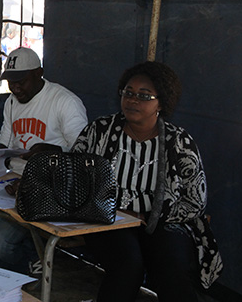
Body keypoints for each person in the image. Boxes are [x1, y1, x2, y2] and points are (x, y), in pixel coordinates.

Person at [71, 61, 222, 301]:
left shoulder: (179, 142)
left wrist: (147, 216)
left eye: (144, 95)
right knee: (127, 264)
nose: (132, 100)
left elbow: (195, 201)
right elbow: (73, 176)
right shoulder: (99, 131)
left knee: (170, 265)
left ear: (161, 103)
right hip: (109, 220)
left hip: (165, 221)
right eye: (128, 93)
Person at [0, 47, 88, 273]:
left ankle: (27, 267)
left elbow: (85, 155)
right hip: (12, 181)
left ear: (38, 73)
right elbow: (5, 145)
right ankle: (31, 255)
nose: (14, 87)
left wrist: (52, 151)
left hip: (48, 185)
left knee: (0, 241)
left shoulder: (64, 101)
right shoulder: (12, 102)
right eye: (10, 81)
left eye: (21, 81)